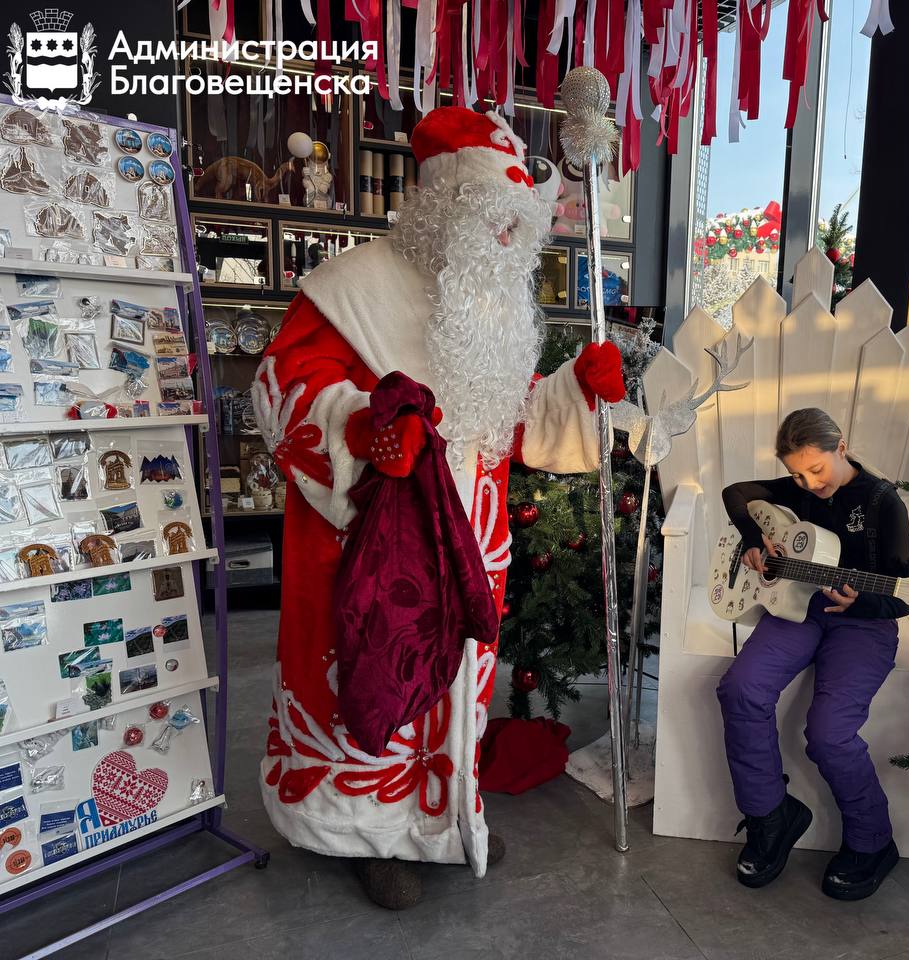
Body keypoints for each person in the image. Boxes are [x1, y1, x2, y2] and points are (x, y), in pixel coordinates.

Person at [250, 106, 625, 910]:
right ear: (444, 205)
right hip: (372, 537)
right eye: (496, 219)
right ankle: (364, 834)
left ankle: (444, 812)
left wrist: (575, 392)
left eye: (519, 226)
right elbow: (281, 388)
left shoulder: (490, 303)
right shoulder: (351, 287)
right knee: (370, 675)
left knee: (453, 685)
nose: (507, 240)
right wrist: (368, 425)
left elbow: (511, 422)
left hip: (473, 545)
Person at [717, 407, 909, 900]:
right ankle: (771, 815)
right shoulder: (800, 488)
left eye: (817, 469)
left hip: (863, 623)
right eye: (797, 474)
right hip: (798, 608)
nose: (808, 484)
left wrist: (859, 601)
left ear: (840, 447)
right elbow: (735, 493)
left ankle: (873, 841)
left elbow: (903, 596)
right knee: (740, 688)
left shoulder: (882, 501)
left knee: (828, 733)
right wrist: (754, 540)